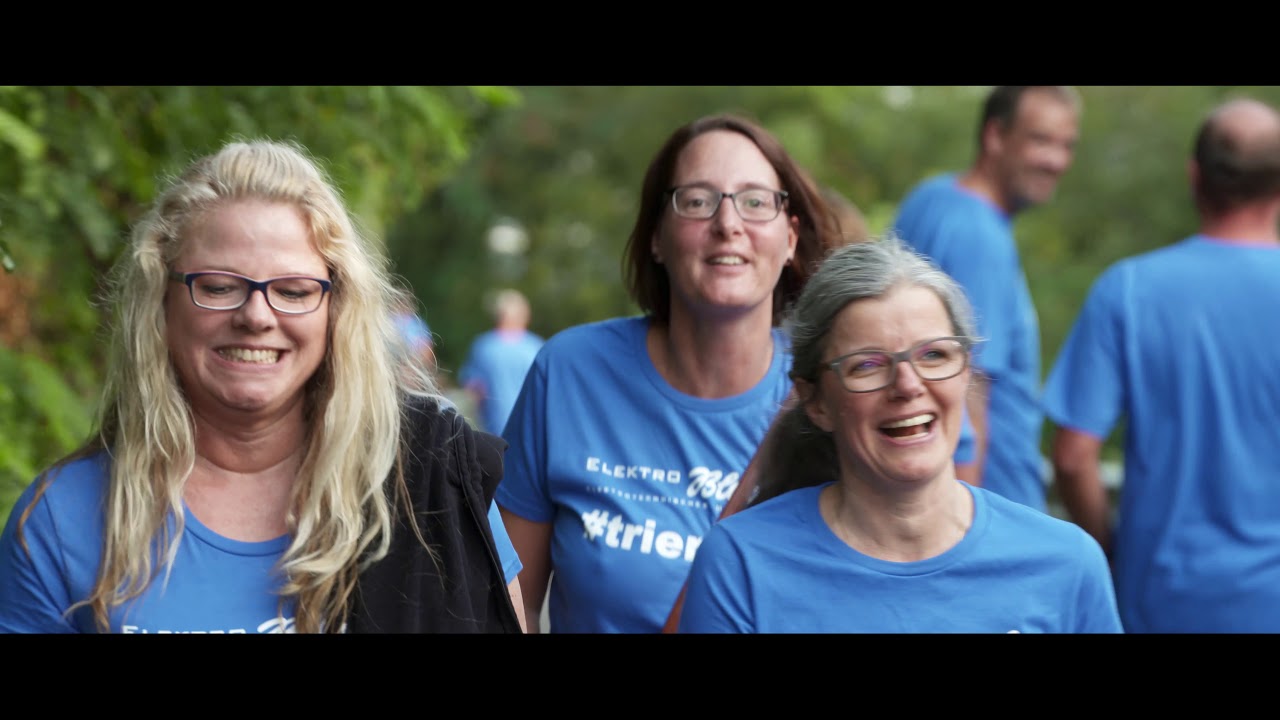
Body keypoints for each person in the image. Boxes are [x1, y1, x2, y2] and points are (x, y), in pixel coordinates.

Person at [0, 139, 526, 633]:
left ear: (335, 310)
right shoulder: (62, 521)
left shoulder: (432, 484)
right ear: (161, 302)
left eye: (294, 291)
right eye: (219, 286)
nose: (256, 315)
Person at [496, 113, 845, 633]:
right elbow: (507, 609)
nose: (729, 224)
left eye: (755, 201)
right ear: (657, 236)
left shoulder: (828, 399)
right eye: (699, 200)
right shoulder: (571, 374)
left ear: (790, 238)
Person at [677, 236, 1122, 633]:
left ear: (965, 372)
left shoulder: (1066, 565)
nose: (908, 385)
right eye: (867, 365)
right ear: (815, 401)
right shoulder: (742, 564)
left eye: (934, 355)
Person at [1043, 97, 1280, 633]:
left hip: (1162, 599)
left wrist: (1106, 554)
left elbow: (1075, 455)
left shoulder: (1128, 291)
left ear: (1194, 177)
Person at [892, 85, 1082, 512]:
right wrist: (965, 532)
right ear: (995, 136)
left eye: (1066, 145)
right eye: (1041, 140)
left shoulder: (932, 199)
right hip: (989, 511)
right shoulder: (978, 237)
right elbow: (967, 390)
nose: (1057, 161)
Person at [458, 288, 545, 435]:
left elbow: (473, 391)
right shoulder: (536, 347)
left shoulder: (484, 347)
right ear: (524, 316)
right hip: (531, 427)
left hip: (494, 429)